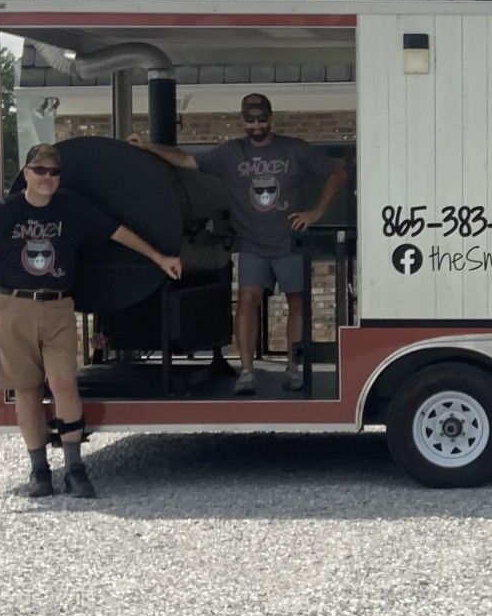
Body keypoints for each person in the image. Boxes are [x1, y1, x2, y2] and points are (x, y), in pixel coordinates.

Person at [0, 144, 181, 499]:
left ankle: (76, 468)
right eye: (40, 171)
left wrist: (158, 257)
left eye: (53, 172)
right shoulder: (3, 210)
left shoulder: (71, 207)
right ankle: (39, 471)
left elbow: (116, 231)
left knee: (65, 383)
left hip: (57, 306)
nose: (47, 178)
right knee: (26, 388)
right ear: (26, 173)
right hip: (11, 305)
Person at [130, 93, 346, 393]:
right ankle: (247, 371)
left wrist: (317, 212)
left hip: (288, 242)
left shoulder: (293, 149)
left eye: (262, 119)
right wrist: (149, 146)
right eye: (250, 119)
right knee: (247, 300)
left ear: (272, 118)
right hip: (252, 244)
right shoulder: (230, 153)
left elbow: (337, 171)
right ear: (242, 120)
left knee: (296, 301)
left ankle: (295, 367)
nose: (256, 125)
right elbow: (186, 160)